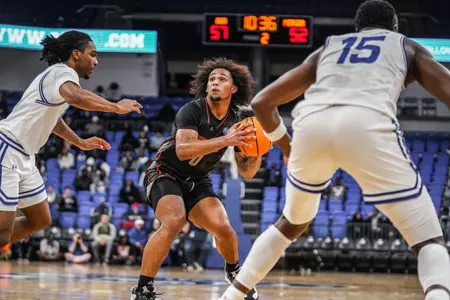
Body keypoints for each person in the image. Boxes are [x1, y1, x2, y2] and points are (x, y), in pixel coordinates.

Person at [220, 1, 450, 300]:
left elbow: (263, 102)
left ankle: (230, 297)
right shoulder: (407, 47)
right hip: (366, 123)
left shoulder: (329, 47)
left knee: (291, 223)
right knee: (428, 240)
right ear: (394, 28)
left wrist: (288, 148)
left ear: (357, 29)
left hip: (310, 125)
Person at [130, 58, 261, 300]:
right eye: (211, 79)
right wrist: (225, 141)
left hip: (198, 181)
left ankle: (233, 273)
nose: (215, 82)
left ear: (234, 88)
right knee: (174, 220)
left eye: (222, 79)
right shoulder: (192, 110)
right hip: (165, 173)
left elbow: (247, 172)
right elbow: (183, 150)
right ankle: (142, 289)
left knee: (225, 230)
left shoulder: (238, 121)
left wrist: (258, 152)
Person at [0, 30, 142, 249]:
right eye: (92, 54)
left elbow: (54, 121)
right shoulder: (61, 73)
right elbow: (75, 97)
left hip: (25, 155)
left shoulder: (60, 78)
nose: (96, 61)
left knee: (40, 220)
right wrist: (115, 107)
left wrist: (80, 142)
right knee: (3, 233)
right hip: (8, 147)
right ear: (76, 54)